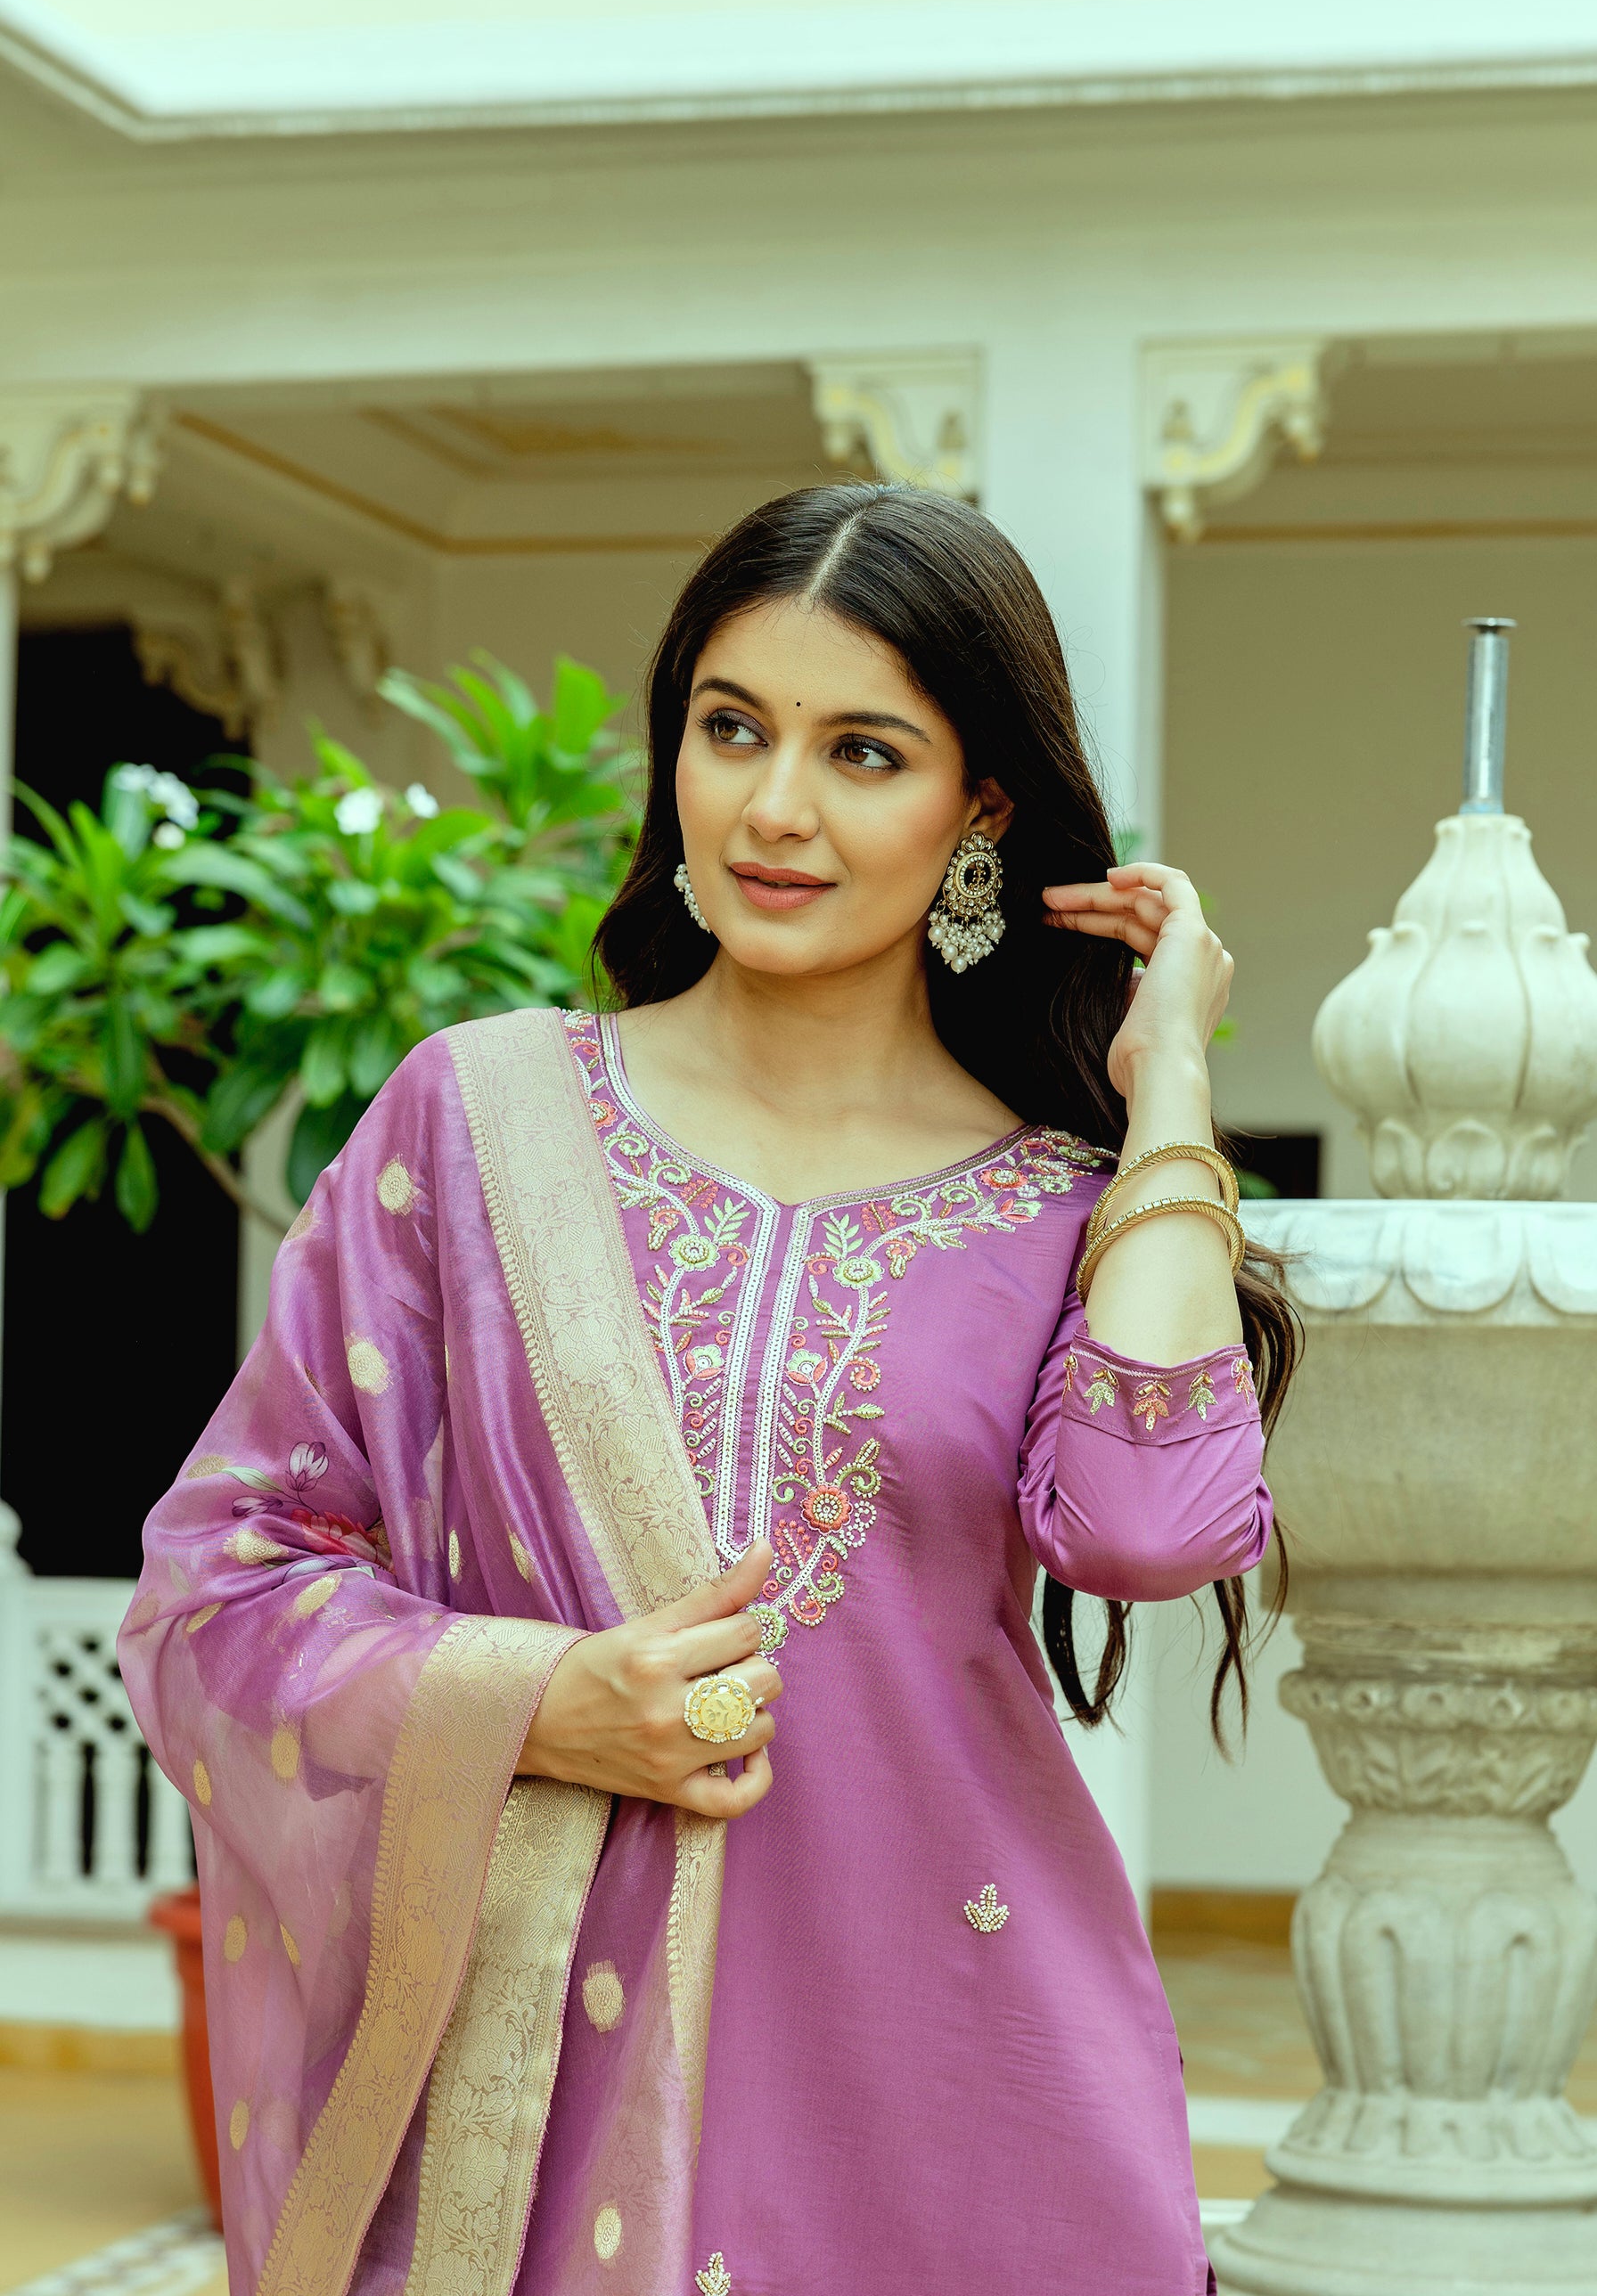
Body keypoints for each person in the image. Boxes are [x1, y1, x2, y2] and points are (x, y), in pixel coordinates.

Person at [120, 485, 1295, 2296]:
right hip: (545, 2084)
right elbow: (221, 1580)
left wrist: (1169, 1097)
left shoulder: (1057, 1206)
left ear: (981, 808)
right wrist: (536, 1701)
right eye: (732, 728)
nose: (774, 808)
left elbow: (1150, 1528)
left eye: (863, 752)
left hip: (954, 2069)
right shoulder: (481, 1121)